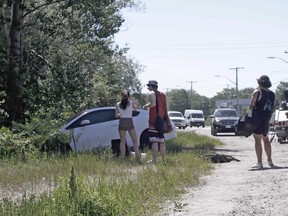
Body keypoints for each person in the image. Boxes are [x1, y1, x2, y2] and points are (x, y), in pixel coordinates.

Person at [249, 75, 275, 169]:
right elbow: (273, 106)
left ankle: (259, 163)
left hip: (258, 118)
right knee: (266, 139)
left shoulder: (257, 92)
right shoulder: (272, 94)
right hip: (266, 118)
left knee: (257, 140)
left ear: (259, 83)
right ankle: (270, 161)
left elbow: (251, 105)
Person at [143, 80, 172, 164]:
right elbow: (165, 108)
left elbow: (153, 104)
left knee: (154, 141)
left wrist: (146, 106)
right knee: (162, 141)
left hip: (153, 121)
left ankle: (154, 161)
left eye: (149, 86)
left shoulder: (151, 93)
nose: (148, 88)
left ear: (151, 86)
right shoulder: (163, 94)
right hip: (161, 121)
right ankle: (164, 161)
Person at [115, 90, 141, 162]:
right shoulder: (131, 103)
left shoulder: (118, 104)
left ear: (121, 96)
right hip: (129, 121)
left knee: (122, 142)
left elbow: (116, 115)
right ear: (129, 96)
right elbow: (135, 109)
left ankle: (122, 158)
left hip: (122, 122)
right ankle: (138, 157)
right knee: (135, 141)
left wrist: (121, 114)